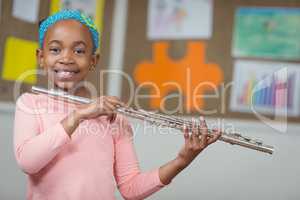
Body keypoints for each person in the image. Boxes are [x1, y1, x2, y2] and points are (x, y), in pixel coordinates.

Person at [13, 9, 221, 200]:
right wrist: (79, 115)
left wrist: (181, 161)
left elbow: (131, 189)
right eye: (55, 49)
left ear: (93, 61)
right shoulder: (30, 103)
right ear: (41, 57)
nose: (66, 58)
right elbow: (28, 162)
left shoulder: (112, 116)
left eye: (78, 51)